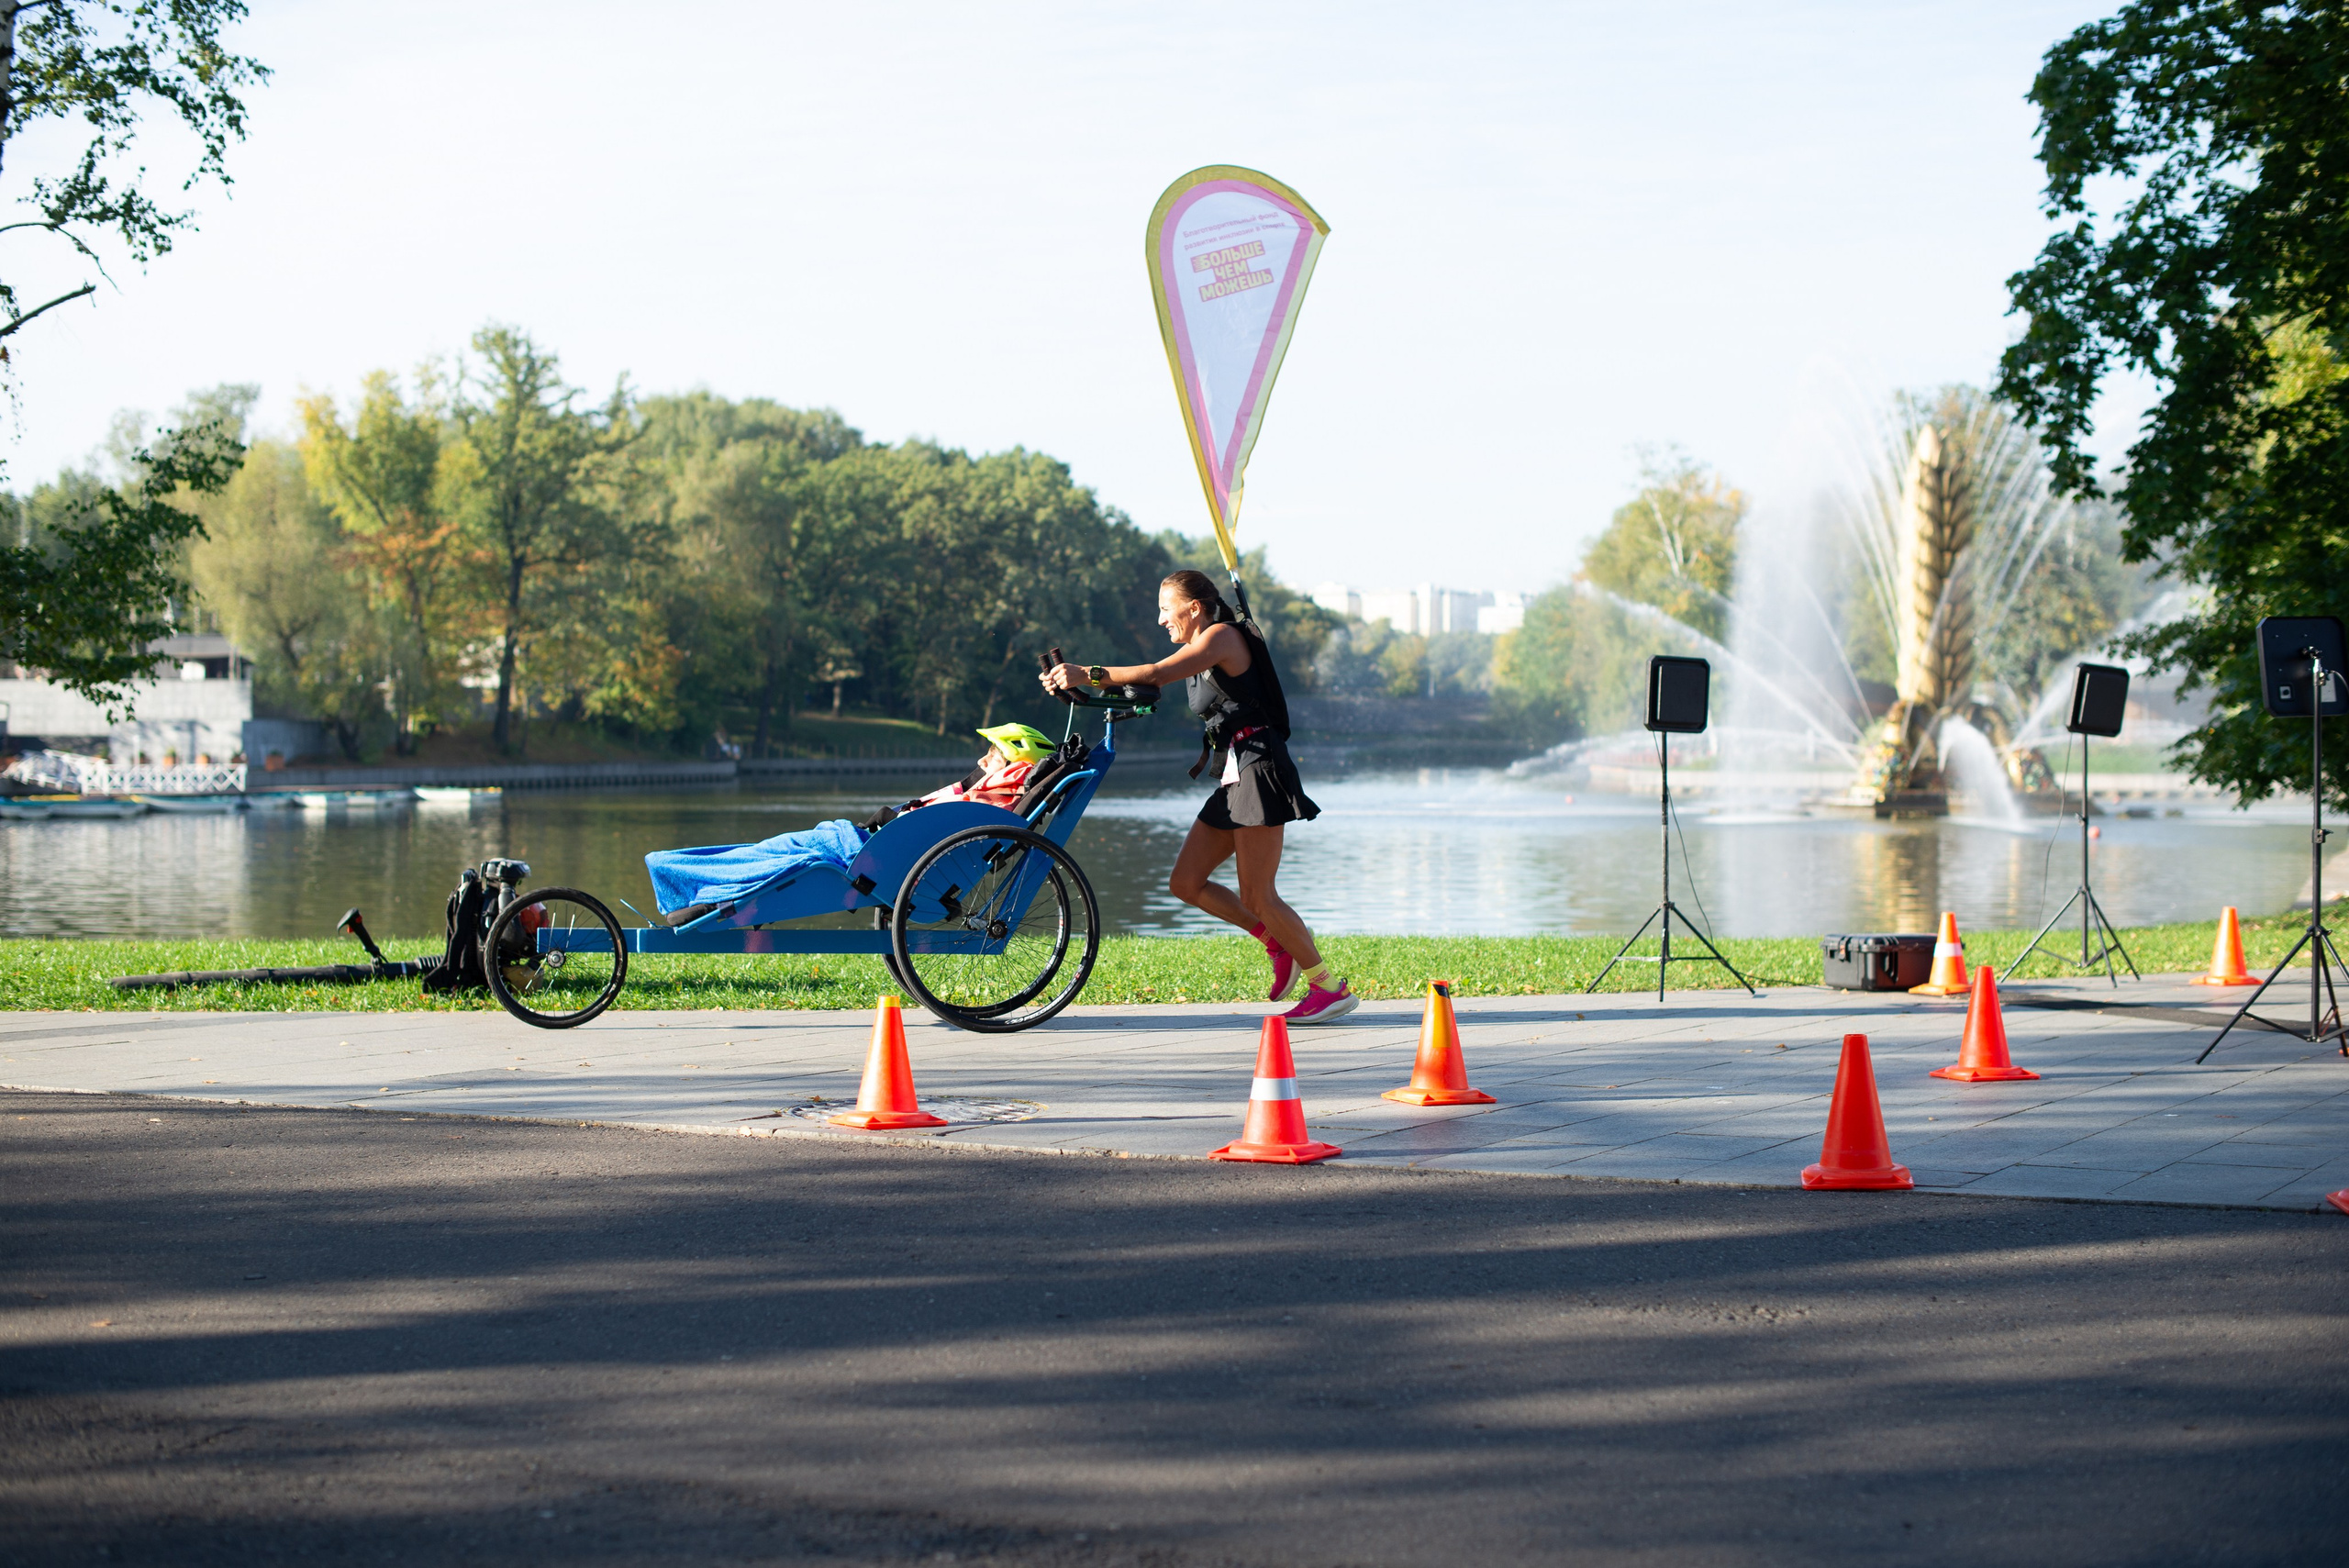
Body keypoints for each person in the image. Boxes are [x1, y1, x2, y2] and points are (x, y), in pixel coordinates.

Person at [1043, 569, 1355, 1023]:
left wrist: (1088, 673)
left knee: (1259, 894)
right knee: (1186, 883)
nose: (1160, 619)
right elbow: (1148, 683)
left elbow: (1155, 673)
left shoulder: (1221, 637)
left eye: (1165, 609)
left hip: (1258, 767)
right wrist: (1082, 687)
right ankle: (1275, 942)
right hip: (1234, 773)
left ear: (1194, 607)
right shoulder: (1197, 649)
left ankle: (1329, 988)